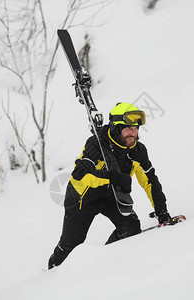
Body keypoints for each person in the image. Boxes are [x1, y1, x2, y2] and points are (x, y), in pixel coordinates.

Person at [48, 102, 172, 269]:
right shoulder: (96, 144)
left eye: (136, 129)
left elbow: (150, 181)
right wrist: (113, 178)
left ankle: (105, 261)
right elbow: (80, 174)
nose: (133, 133)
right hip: (82, 198)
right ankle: (52, 272)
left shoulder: (137, 151)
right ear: (115, 128)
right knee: (71, 245)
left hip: (111, 196)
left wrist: (161, 211)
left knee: (131, 227)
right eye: (128, 128)